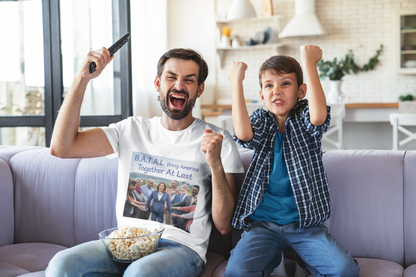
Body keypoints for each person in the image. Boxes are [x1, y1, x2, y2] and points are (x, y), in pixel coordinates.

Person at [46, 47, 244, 277]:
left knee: (141, 273)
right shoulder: (130, 130)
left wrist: (215, 164)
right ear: (158, 84)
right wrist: (82, 79)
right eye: (171, 77)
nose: (179, 85)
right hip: (124, 243)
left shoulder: (218, 140)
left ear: (199, 89)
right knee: (62, 264)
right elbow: (62, 147)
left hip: (180, 249)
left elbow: (224, 224)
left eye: (189, 80)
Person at [225, 45, 360, 277]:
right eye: (269, 86)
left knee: (345, 271)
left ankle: (303, 259)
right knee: (237, 271)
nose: (276, 90)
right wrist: (236, 82)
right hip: (263, 225)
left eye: (285, 83)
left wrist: (309, 63)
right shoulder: (261, 119)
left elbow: (318, 117)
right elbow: (244, 135)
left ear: (300, 90)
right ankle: (274, 257)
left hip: (305, 225)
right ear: (262, 95)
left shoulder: (305, 117)